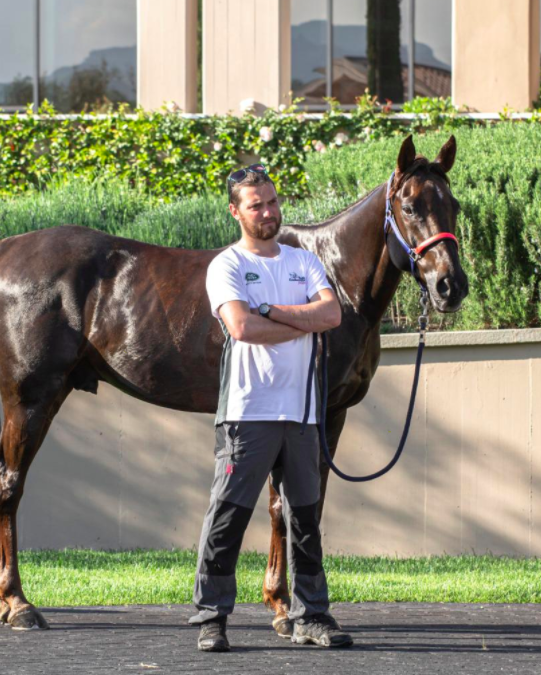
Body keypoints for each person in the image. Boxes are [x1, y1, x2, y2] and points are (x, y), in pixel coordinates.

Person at [190, 164, 353, 652]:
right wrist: (302, 323)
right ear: (236, 211)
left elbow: (333, 314)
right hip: (247, 414)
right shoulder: (228, 266)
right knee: (229, 515)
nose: (268, 212)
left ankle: (312, 616)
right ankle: (211, 617)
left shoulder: (303, 262)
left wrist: (273, 312)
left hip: (302, 415)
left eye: (273, 202)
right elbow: (241, 328)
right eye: (256, 205)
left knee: (305, 519)